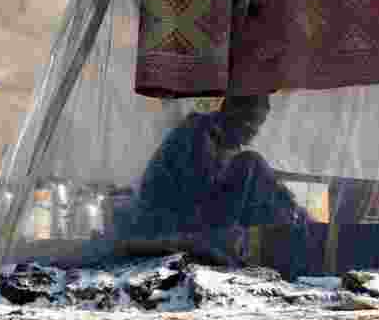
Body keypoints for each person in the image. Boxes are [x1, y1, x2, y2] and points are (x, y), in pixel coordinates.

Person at [128, 94, 307, 248]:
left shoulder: (226, 141)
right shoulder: (198, 133)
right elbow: (196, 195)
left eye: (259, 124)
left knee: (257, 174)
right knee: (252, 163)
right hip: (164, 224)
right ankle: (292, 225)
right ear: (229, 110)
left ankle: (295, 221)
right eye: (249, 120)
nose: (254, 131)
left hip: (189, 222)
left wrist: (285, 200)